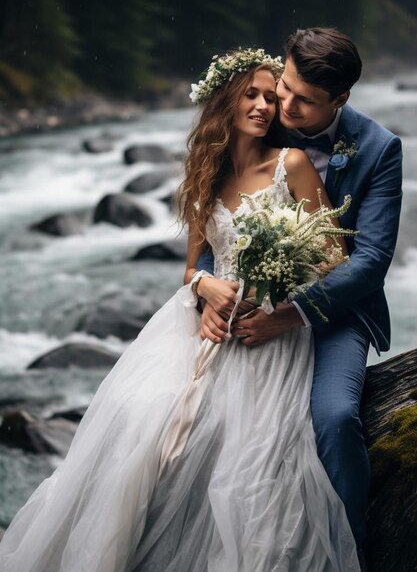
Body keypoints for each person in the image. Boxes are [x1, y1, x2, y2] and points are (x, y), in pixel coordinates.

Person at [0, 48, 361, 572]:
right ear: (225, 103)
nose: (264, 105)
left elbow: (335, 257)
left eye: (269, 94)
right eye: (251, 95)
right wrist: (205, 288)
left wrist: (278, 287)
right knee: (141, 423)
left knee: (249, 456)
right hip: (210, 320)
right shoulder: (205, 177)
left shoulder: (293, 165)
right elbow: (192, 268)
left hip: (271, 327)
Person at [197, 28, 403, 567]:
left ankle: (354, 551)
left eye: (302, 101)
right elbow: (211, 221)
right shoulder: (260, 114)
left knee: (333, 418)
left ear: (341, 99)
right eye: (283, 86)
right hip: (245, 307)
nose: (282, 106)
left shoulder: (379, 149)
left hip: (335, 313)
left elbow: (369, 262)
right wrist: (205, 292)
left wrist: (289, 315)